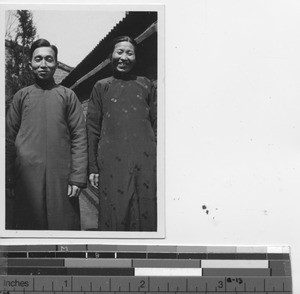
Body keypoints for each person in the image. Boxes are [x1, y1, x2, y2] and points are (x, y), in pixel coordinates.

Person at [6, 38, 88, 230]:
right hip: (26, 178)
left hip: (61, 178)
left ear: (56, 64)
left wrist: (77, 177)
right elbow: (8, 139)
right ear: (30, 64)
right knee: (28, 229)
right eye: (38, 59)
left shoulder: (68, 96)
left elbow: (79, 137)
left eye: (49, 59)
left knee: (63, 227)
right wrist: (8, 177)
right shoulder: (21, 97)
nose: (43, 64)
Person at [86, 36, 157, 231]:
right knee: (114, 214)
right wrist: (93, 167)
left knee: (146, 213)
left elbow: (157, 123)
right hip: (111, 162)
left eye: (129, 53)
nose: (124, 57)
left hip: (146, 162)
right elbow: (92, 129)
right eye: (119, 52)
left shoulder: (146, 85)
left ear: (135, 57)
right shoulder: (101, 87)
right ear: (111, 56)